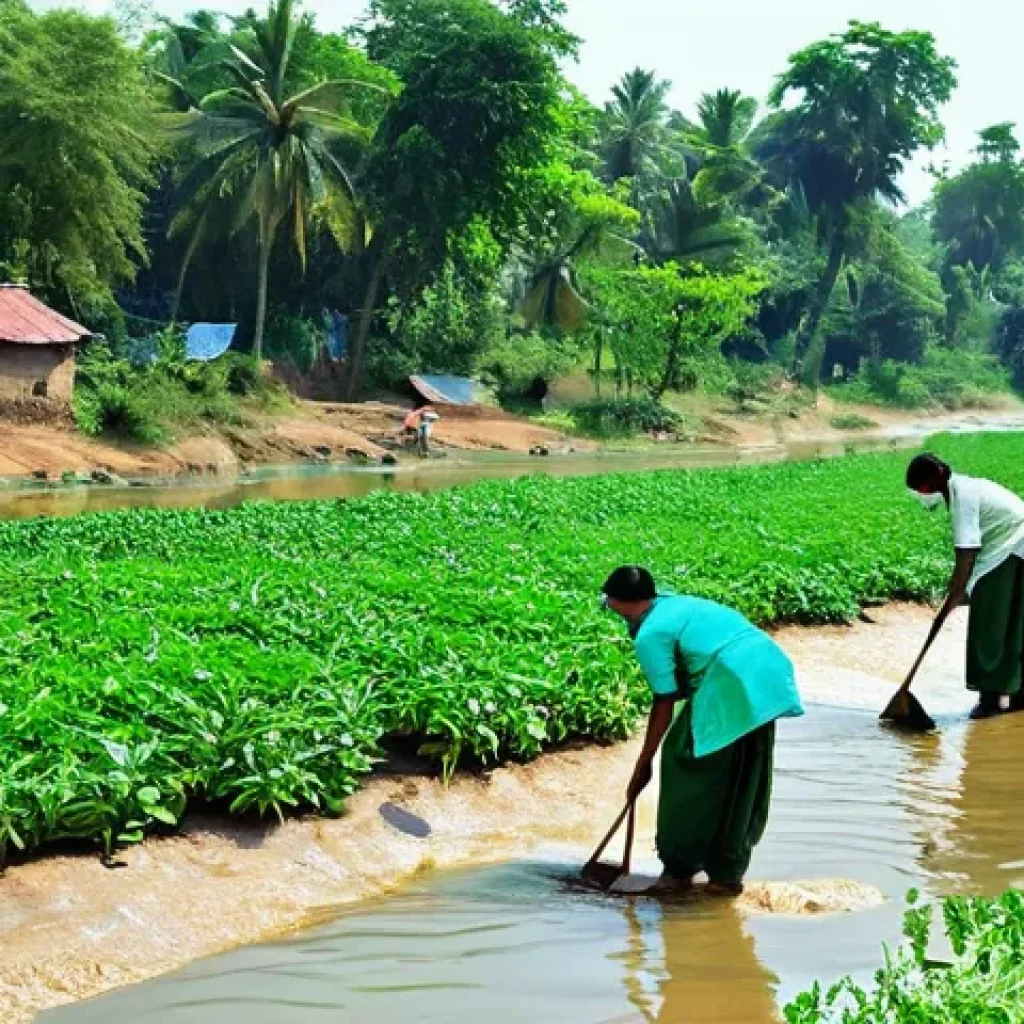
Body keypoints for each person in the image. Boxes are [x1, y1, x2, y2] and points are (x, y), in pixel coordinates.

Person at [602, 566, 804, 896]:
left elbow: (664, 700)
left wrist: (645, 761)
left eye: (610, 603)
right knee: (743, 772)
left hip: (728, 678)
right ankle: (726, 875)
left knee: (683, 760)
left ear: (618, 602)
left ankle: (678, 871)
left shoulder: (650, 634)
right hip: (764, 675)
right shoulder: (671, 602)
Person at [905, 453, 1024, 719]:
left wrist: (956, 593)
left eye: (920, 491)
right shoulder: (965, 488)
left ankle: (991, 701)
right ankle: (1016, 696)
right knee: (1014, 623)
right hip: (1015, 548)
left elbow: (967, 553)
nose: (921, 496)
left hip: (1010, 549)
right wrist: (957, 593)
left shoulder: (964, 497)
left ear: (927, 486)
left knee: (989, 624)